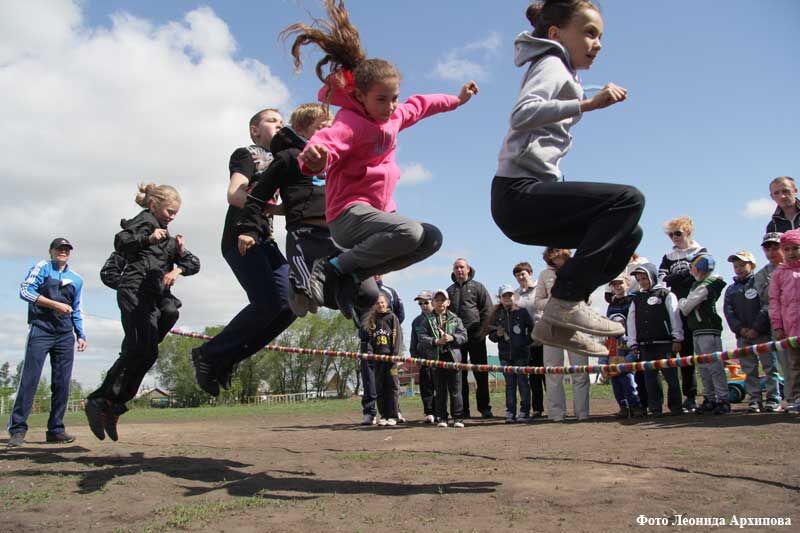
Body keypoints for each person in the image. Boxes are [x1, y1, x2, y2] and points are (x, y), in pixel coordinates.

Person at [282, 0, 478, 317]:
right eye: (381, 99)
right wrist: (313, 160)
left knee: (430, 238)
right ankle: (329, 268)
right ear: (360, 96)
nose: (389, 107)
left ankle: (352, 274)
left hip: (374, 216)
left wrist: (456, 100)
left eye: (393, 98)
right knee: (411, 232)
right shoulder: (351, 122)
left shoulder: (394, 116)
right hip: (347, 215)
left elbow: (422, 104)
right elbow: (324, 144)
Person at [492, 0, 643, 356]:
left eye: (601, 37)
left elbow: (565, 95)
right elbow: (522, 113)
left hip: (529, 202)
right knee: (628, 199)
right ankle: (565, 301)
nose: (598, 44)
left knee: (628, 231)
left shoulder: (565, 72)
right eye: (589, 33)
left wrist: (588, 96)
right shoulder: (551, 62)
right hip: (518, 195)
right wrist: (588, 104)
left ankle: (555, 322)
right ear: (558, 35)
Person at [191, 109, 296, 397]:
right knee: (269, 301)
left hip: (267, 239)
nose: (280, 125)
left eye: (282, 122)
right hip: (240, 235)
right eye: (272, 121)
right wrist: (267, 208)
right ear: (254, 130)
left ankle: (226, 358)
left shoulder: (283, 160)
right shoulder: (249, 154)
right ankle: (208, 354)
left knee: (290, 305)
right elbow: (235, 194)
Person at [86, 184, 200, 441]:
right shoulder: (145, 222)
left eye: (176, 213)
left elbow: (194, 263)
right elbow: (121, 242)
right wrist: (147, 239)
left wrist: (178, 266)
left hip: (153, 297)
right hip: (135, 294)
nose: (173, 216)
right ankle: (101, 401)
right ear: (154, 205)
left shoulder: (166, 236)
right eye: (170, 211)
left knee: (163, 324)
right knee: (142, 350)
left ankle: (113, 403)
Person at [7, 238, 87, 447]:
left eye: (66, 249)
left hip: (64, 335)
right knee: (29, 380)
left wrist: (81, 335)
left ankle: (56, 429)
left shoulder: (76, 279)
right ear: (51, 251)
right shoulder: (42, 267)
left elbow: (76, 308)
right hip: (40, 331)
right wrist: (54, 305)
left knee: (62, 384)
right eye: (59, 248)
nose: (63, 251)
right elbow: (25, 291)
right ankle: (18, 430)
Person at [534, 248, 592, 421]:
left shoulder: (579, 269)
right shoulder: (544, 275)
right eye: (553, 256)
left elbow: (588, 298)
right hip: (551, 326)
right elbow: (537, 302)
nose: (556, 259)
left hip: (575, 324)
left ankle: (582, 413)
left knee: (580, 371)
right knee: (552, 371)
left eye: (559, 255)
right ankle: (556, 413)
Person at [658, 216, 706, 412]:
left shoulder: (700, 251)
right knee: (684, 354)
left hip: (697, 307)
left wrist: (675, 278)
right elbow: (662, 280)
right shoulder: (668, 257)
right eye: (670, 234)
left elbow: (701, 274)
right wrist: (684, 275)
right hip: (676, 310)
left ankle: (711, 395)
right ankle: (689, 396)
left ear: (687, 231)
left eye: (677, 233)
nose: (674, 238)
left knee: (702, 354)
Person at [723, 251, 779, 413]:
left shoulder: (760, 283)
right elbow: (729, 312)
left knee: (770, 367)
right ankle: (754, 400)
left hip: (762, 334)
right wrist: (741, 329)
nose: (739, 269)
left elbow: (766, 306)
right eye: (736, 266)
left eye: (742, 265)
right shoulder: (731, 289)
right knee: (749, 369)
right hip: (743, 336)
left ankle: (772, 398)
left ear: (752, 265)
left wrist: (756, 328)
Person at [627, 264, 683, 417]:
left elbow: (674, 317)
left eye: (644, 278)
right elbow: (631, 322)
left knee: (671, 377)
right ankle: (655, 407)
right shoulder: (636, 298)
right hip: (645, 346)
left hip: (665, 343)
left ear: (652, 276)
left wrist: (677, 338)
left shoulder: (666, 294)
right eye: (639, 280)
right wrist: (632, 342)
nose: (642, 282)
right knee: (650, 379)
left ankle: (676, 406)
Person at [678, 254, 729, 415]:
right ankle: (710, 398)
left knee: (714, 366)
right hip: (698, 330)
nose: (690, 268)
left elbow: (686, 308)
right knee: (703, 367)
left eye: (692, 264)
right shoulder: (698, 284)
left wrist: (680, 301)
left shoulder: (705, 286)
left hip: (708, 329)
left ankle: (722, 399)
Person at [447, 258, 494, 418]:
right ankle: (463, 410)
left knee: (481, 373)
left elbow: (488, 310)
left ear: (468, 269)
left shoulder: (478, 287)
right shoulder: (449, 291)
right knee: (460, 375)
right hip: (457, 339)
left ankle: (484, 408)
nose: (459, 270)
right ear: (453, 271)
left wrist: (483, 332)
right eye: (456, 268)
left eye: (462, 267)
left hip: (476, 336)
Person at [417, 290, 467, 428]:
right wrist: (435, 341)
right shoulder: (426, 321)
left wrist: (452, 338)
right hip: (436, 359)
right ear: (433, 303)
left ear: (448, 302)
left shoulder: (456, 319)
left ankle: (458, 418)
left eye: (442, 300)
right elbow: (422, 338)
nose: (440, 303)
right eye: (437, 300)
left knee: (456, 390)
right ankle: (442, 418)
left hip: (453, 359)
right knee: (440, 391)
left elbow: (463, 336)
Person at [485, 285, 534, 423]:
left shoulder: (522, 312)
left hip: (522, 355)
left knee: (523, 383)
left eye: (510, 295)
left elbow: (532, 330)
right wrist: (497, 334)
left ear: (515, 296)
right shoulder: (497, 315)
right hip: (505, 356)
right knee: (510, 385)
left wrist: (525, 342)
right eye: (504, 296)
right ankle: (510, 412)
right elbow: (491, 336)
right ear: (500, 298)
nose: (507, 298)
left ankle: (524, 411)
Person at [754, 232, 788, 409]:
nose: (772, 252)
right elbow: (765, 298)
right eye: (768, 248)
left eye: (776, 247)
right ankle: (792, 399)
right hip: (778, 323)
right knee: (786, 364)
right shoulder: (761, 275)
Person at [768, 229, 800, 413]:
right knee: (795, 365)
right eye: (786, 249)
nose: (791, 252)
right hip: (791, 328)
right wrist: (778, 326)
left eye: (795, 248)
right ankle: (796, 398)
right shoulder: (779, 274)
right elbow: (774, 302)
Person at [604, 274, 642, 418]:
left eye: (620, 283)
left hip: (629, 342)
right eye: (614, 284)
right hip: (613, 344)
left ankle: (635, 405)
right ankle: (623, 406)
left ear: (627, 284)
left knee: (627, 376)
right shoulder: (611, 304)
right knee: (615, 377)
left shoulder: (633, 300)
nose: (617, 286)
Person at [362, 293, 403, 426]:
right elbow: (369, 339)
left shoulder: (392, 318)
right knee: (380, 387)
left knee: (392, 386)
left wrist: (395, 355)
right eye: (378, 303)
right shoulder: (372, 319)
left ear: (387, 303)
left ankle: (393, 414)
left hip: (390, 359)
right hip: (378, 359)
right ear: (375, 305)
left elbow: (397, 338)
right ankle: (384, 415)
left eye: (382, 302)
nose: (381, 305)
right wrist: (370, 353)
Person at [513, 261, 545, 417]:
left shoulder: (540, 289)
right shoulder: (516, 294)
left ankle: (555, 407)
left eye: (523, 273)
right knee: (533, 376)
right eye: (517, 275)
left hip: (544, 336)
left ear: (530, 273)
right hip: (528, 341)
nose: (520, 277)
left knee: (548, 374)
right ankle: (537, 408)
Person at [410, 291, 436, 423]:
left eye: (426, 302)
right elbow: (413, 342)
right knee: (426, 386)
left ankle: (441, 411)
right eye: (420, 303)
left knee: (440, 386)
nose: (423, 305)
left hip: (439, 358)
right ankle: (429, 412)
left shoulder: (440, 317)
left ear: (433, 301)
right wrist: (414, 357)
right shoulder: (416, 321)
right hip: (423, 358)